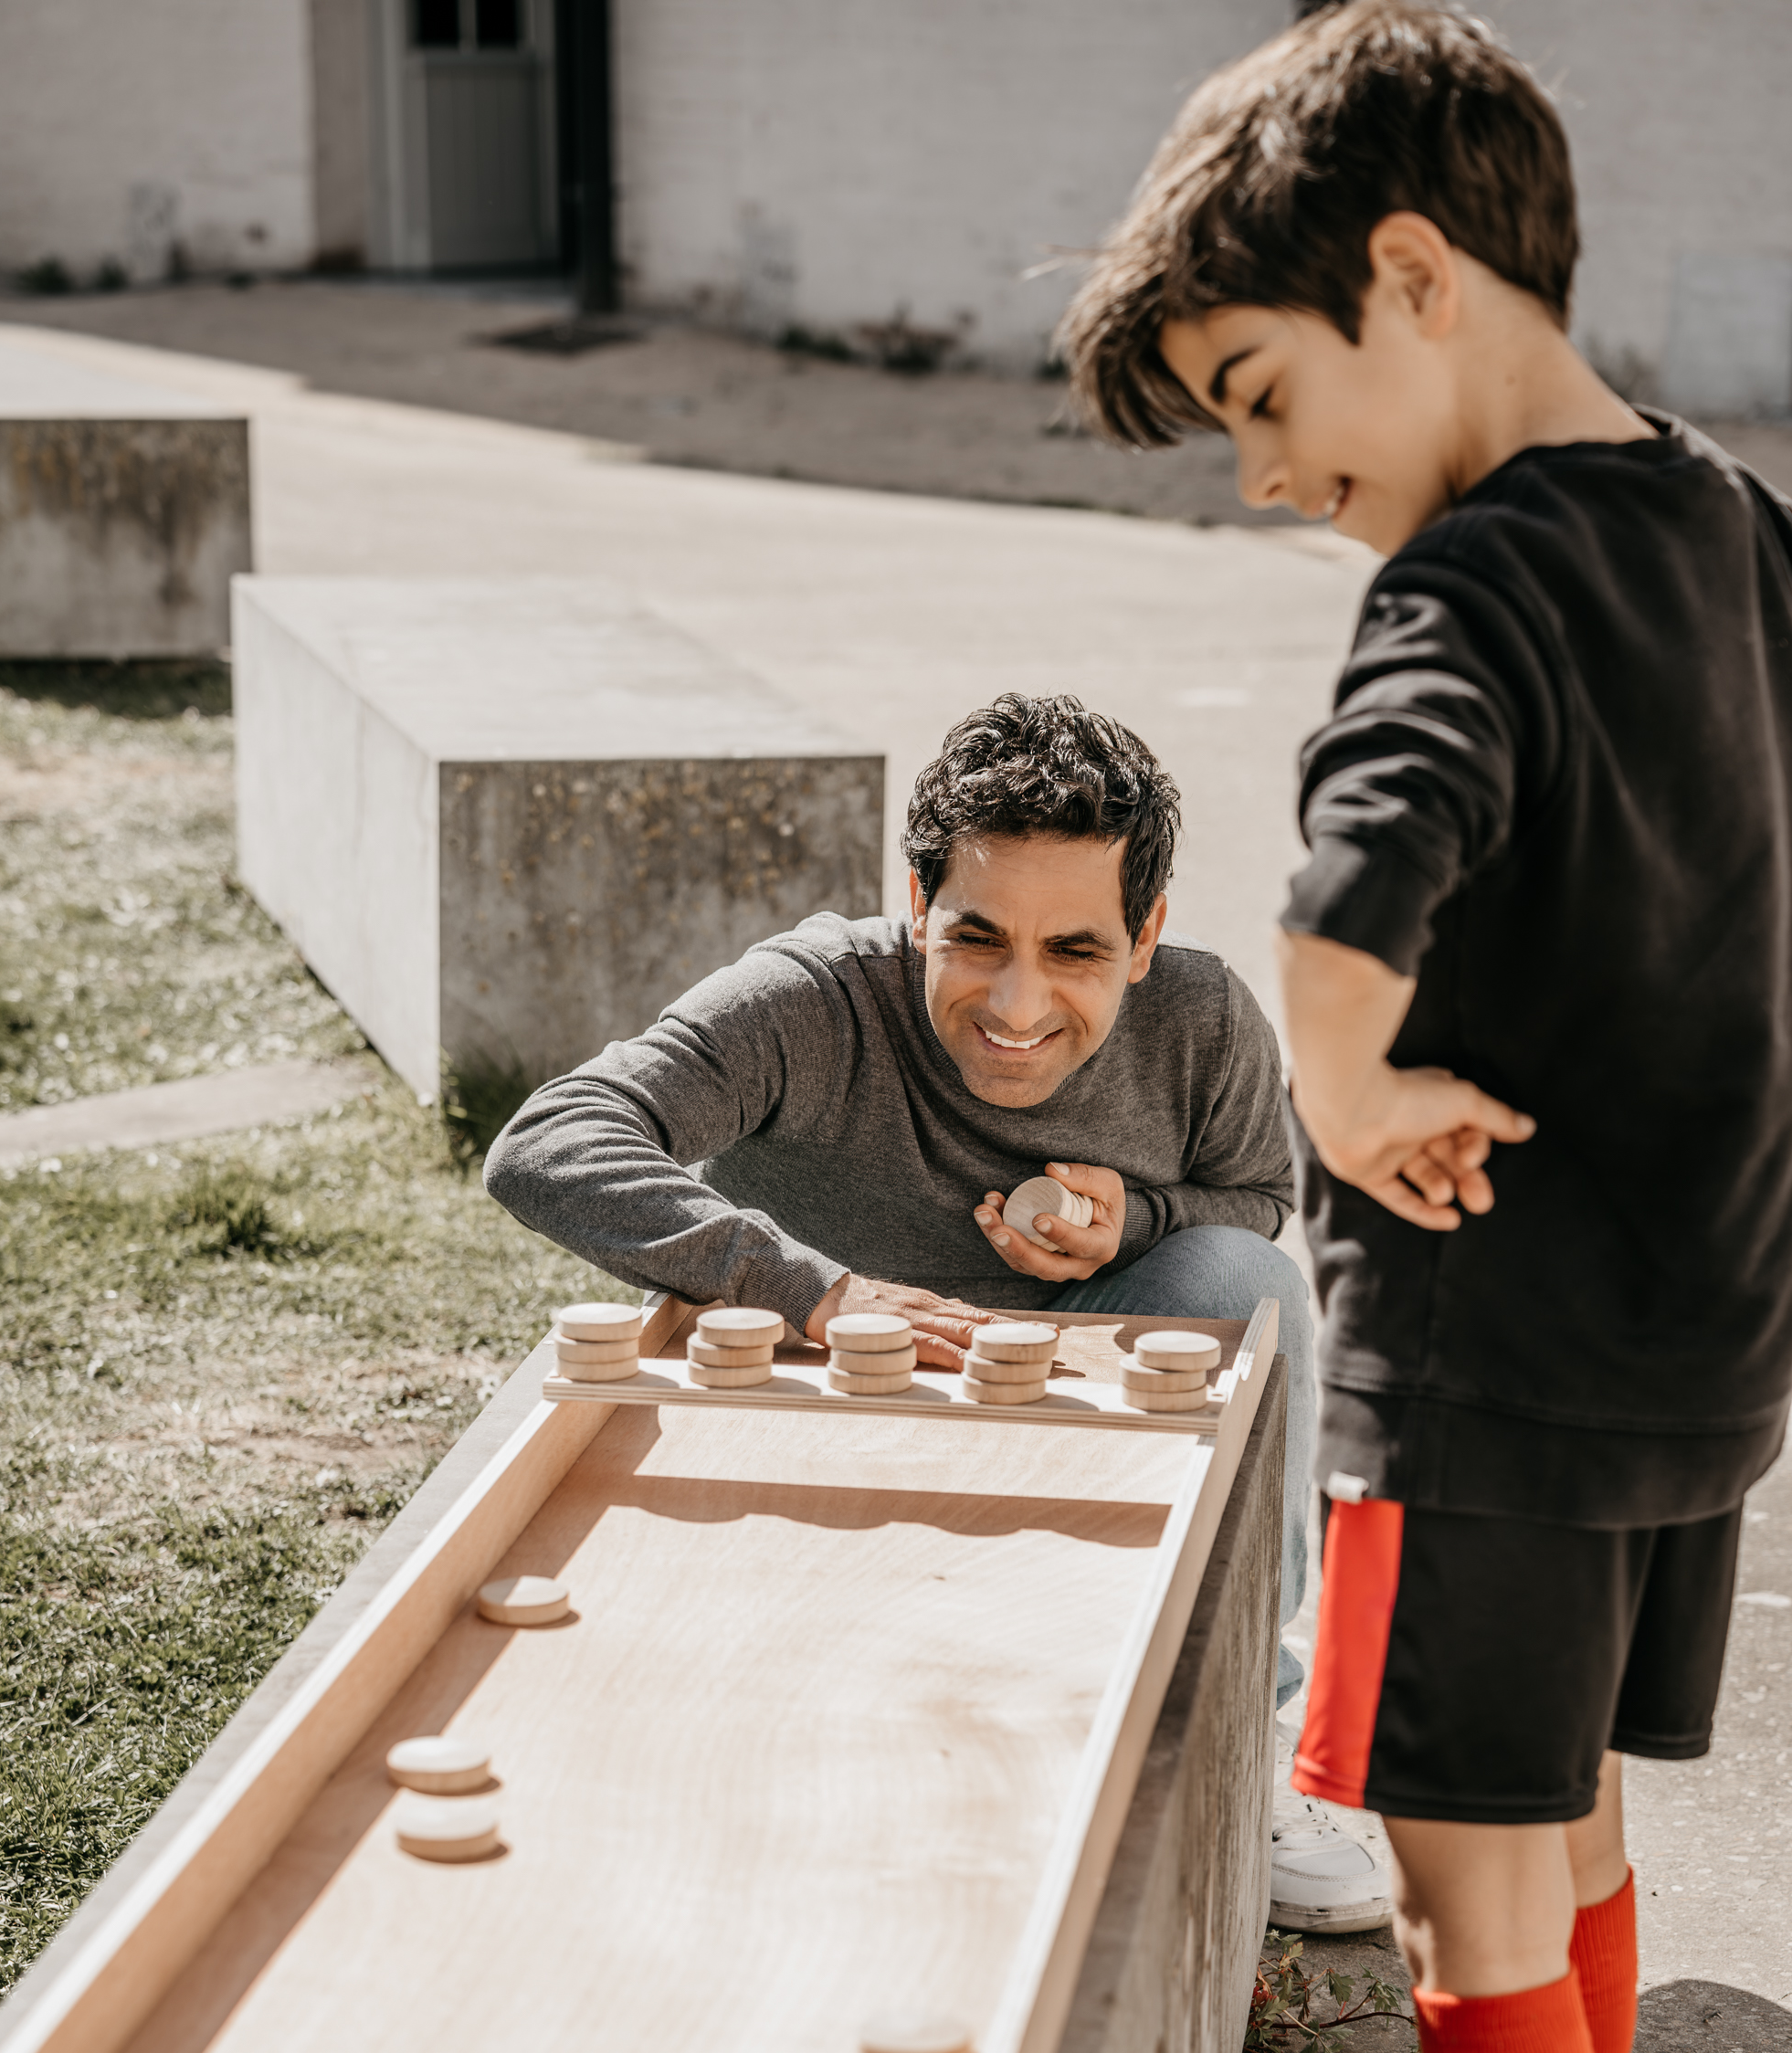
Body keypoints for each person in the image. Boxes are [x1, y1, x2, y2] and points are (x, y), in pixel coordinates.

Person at [1061, 0, 1792, 2053]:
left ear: (1410, 269)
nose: (1269, 477)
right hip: (1699, 1349)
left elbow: (1354, 880)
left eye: (1263, 394)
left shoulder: (1463, 580)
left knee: (1470, 1898)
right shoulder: (1724, 518)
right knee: (1580, 1835)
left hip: (1487, 1381)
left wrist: (1350, 1089)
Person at [483, 693, 1361, 1917]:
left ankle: (1239, 1741)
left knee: (1246, 1285)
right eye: (978, 938)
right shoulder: (810, 998)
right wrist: (820, 1292)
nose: (1015, 1007)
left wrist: (1139, 1221)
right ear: (917, 905)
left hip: (1071, 1399)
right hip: (823, 1419)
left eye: (1076, 952)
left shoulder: (1203, 1019)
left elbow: (1261, 1195)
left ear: (1146, 933)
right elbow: (548, 1141)